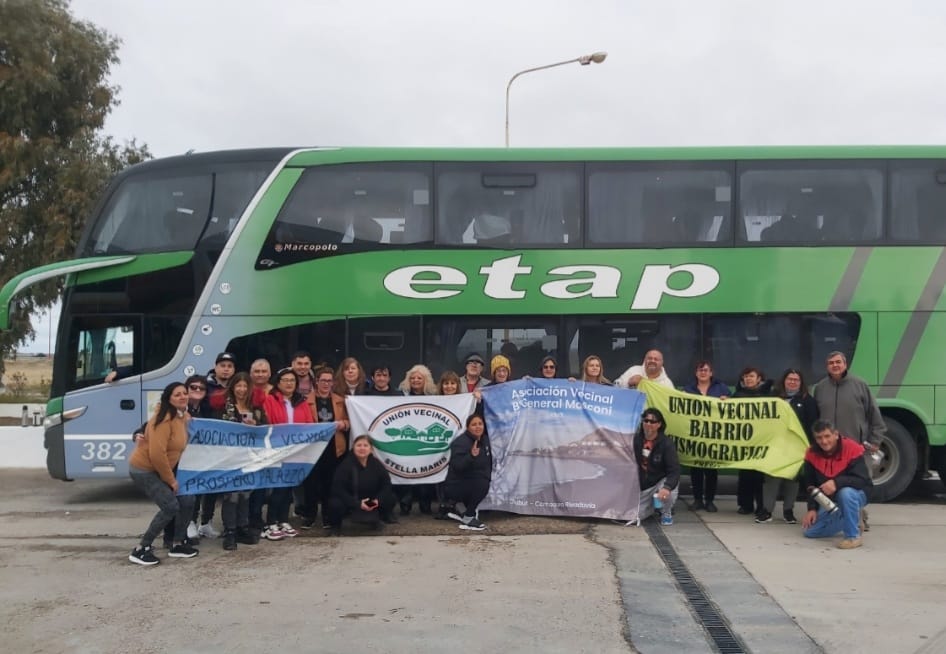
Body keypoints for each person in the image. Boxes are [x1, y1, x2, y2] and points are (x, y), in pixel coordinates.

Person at [127, 382, 198, 565]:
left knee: (188, 500)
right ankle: (141, 548)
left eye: (184, 393)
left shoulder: (181, 416)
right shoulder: (163, 420)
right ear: (169, 399)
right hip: (144, 470)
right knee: (170, 506)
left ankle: (177, 543)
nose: (182, 397)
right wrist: (171, 480)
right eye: (177, 395)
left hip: (162, 468)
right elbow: (157, 455)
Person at [759, 368, 820, 524]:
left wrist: (810, 446)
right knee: (772, 478)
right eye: (789, 379)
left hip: (796, 448)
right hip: (775, 446)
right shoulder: (773, 397)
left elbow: (813, 425)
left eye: (796, 380)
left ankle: (788, 511)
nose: (792, 382)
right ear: (784, 381)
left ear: (801, 383)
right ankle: (767, 511)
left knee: (792, 480)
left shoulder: (808, 401)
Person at [260, 367, 315, 540]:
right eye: (286, 380)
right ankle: (271, 522)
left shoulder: (302, 402)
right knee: (278, 488)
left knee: (289, 487)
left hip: (296, 451)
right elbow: (267, 423)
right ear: (278, 383)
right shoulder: (269, 400)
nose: (289, 383)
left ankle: (283, 520)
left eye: (292, 381)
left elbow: (310, 424)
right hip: (278, 450)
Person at [802, 419, 872, 549]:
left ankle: (853, 536)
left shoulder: (851, 448)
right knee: (810, 532)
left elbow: (863, 480)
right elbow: (810, 484)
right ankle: (853, 516)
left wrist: (837, 482)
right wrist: (811, 509)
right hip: (831, 500)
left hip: (857, 493)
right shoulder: (811, 453)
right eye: (819, 438)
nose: (824, 441)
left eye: (827, 436)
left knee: (845, 493)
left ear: (836, 434)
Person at [216, 372, 266, 549]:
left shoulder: (256, 408)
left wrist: (256, 426)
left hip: (249, 457)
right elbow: (217, 431)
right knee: (232, 495)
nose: (242, 389)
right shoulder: (224, 408)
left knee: (245, 495)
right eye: (239, 385)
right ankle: (229, 532)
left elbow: (265, 430)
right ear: (233, 387)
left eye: (245, 386)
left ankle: (242, 528)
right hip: (229, 458)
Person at [812, 351, 885, 468]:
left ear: (845, 365)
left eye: (838, 362)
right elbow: (815, 418)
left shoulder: (860, 385)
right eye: (831, 363)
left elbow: (874, 415)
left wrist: (875, 441)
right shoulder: (820, 388)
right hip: (829, 449)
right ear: (827, 367)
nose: (835, 365)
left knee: (858, 483)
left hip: (856, 447)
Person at [304, 365, 350, 528]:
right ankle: (309, 515)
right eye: (323, 380)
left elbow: (349, 421)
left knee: (329, 483)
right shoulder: (305, 401)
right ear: (316, 382)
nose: (326, 384)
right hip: (313, 448)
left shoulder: (340, 400)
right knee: (311, 483)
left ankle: (327, 515)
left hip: (334, 447)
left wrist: (342, 424)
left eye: (329, 381)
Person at [682, 360, 730, 512]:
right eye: (700, 370)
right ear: (696, 373)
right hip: (695, 434)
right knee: (695, 469)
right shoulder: (688, 389)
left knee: (711, 470)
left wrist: (727, 401)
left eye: (706, 370)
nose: (703, 372)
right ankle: (697, 500)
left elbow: (734, 406)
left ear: (711, 373)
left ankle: (709, 500)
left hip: (713, 435)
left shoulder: (721, 387)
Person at [326, 435, 398, 533]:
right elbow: (338, 489)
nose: (362, 448)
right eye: (359, 445)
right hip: (351, 501)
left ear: (371, 449)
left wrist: (377, 501)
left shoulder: (376, 464)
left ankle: (382, 517)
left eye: (365, 445)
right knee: (335, 504)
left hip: (371, 500)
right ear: (353, 448)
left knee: (390, 497)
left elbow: (386, 484)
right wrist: (357, 504)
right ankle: (335, 526)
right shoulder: (345, 465)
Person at [436, 414, 492, 531]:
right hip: (455, 484)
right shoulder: (461, 442)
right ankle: (468, 516)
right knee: (483, 483)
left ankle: (456, 506)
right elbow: (458, 466)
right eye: (474, 424)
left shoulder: (485, 440)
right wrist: (471, 456)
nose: (477, 427)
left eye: (480, 424)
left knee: (484, 479)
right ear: (468, 427)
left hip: (471, 480)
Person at [396, 363, 438, 514]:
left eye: (419, 378)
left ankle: (425, 503)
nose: (415, 380)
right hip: (408, 439)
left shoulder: (434, 397)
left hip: (425, 439)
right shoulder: (401, 395)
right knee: (406, 471)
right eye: (412, 378)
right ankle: (405, 502)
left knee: (426, 471)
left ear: (425, 379)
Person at [732, 367, 773, 518]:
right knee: (745, 475)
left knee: (760, 477)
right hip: (744, 442)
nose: (748, 379)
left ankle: (762, 505)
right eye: (745, 377)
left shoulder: (768, 396)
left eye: (751, 376)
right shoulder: (737, 396)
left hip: (762, 441)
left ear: (759, 378)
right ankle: (745, 505)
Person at [631, 408, 680, 526]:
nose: (648, 424)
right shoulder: (635, 440)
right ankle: (653, 507)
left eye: (652, 422)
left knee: (669, 491)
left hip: (659, 483)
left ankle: (666, 512)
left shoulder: (666, 443)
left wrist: (667, 487)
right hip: (643, 487)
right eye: (646, 420)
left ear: (659, 424)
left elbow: (674, 471)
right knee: (634, 517)